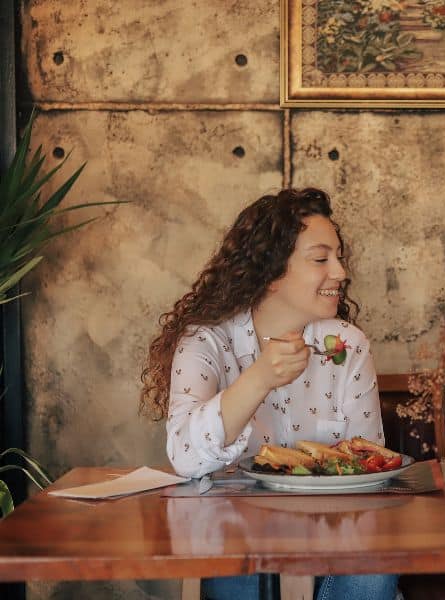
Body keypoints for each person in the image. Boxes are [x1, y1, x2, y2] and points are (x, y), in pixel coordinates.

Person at [140, 187, 398, 600]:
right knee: (245, 573)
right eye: (320, 259)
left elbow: (370, 468)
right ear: (272, 271)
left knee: (373, 572)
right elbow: (186, 457)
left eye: (338, 256)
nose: (340, 272)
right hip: (235, 535)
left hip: (335, 538)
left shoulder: (346, 343)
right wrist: (257, 378)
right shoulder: (206, 342)